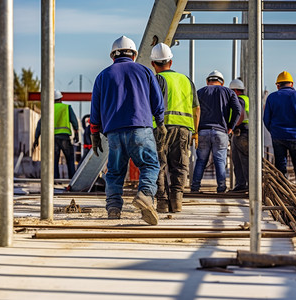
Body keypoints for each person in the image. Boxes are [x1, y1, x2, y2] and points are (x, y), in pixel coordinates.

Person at [90, 36, 166, 225]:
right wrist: (161, 122)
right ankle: (146, 196)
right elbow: (157, 100)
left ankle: (114, 209)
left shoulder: (103, 76)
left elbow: (95, 108)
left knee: (115, 172)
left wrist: (94, 133)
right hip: (140, 128)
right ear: (134, 54)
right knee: (150, 165)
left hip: (114, 132)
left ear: (113, 55)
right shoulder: (144, 71)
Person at [150, 43, 200, 213]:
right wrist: (195, 132)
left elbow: (150, 105)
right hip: (185, 128)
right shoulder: (187, 80)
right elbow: (196, 109)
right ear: (171, 62)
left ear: (153, 64)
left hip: (161, 128)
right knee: (180, 165)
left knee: (159, 165)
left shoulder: (157, 79)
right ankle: (177, 201)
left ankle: (162, 202)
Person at [190, 71, 241, 193]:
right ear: (222, 82)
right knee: (220, 160)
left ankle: (195, 187)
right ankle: (221, 188)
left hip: (202, 131)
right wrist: (230, 127)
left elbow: (193, 110)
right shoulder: (228, 92)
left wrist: (195, 130)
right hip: (221, 132)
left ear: (208, 81)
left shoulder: (200, 92)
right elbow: (237, 109)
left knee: (201, 160)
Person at [263, 71, 296, 189]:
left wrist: (273, 131)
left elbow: (266, 119)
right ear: (292, 84)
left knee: (280, 162)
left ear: (278, 85)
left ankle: (283, 183)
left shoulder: (272, 98)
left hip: (278, 134)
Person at [33, 90, 79, 179]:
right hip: (64, 137)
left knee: (54, 161)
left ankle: (55, 181)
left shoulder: (48, 109)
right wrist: (76, 133)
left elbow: (40, 124)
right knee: (70, 159)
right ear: (61, 98)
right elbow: (74, 121)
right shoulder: (66, 107)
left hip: (52, 139)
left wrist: (36, 138)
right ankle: (72, 180)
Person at [229, 78, 249, 191]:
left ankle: (246, 185)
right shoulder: (247, 99)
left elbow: (239, 114)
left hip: (240, 132)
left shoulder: (239, 100)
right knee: (238, 159)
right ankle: (241, 185)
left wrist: (232, 126)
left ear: (235, 91)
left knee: (242, 160)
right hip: (246, 132)